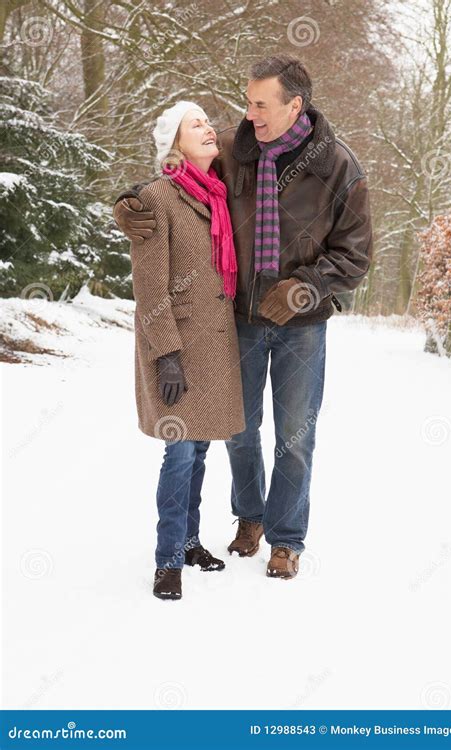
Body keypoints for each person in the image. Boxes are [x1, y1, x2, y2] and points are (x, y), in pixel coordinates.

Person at [115, 55, 373, 581]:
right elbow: (178, 176)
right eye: (247, 101)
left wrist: (305, 288)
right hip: (239, 320)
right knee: (239, 429)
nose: (248, 113)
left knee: (295, 436)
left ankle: (286, 539)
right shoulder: (235, 149)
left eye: (259, 103)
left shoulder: (339, 166)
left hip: (304, 327)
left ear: (293, 105)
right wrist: (130, 205)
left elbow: (356, 254)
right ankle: (249, 516)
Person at [128, 100, 245, 600]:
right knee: (179, 453)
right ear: (174, 143)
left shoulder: (216, 195)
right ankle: (168, 557)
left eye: (208, 123)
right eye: (195, 125)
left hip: (214, 346)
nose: (209, 130)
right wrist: (167, 353)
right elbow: (149, 286)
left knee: (198, 451)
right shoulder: (157, 198)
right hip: (175, 345)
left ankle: (191, 539)